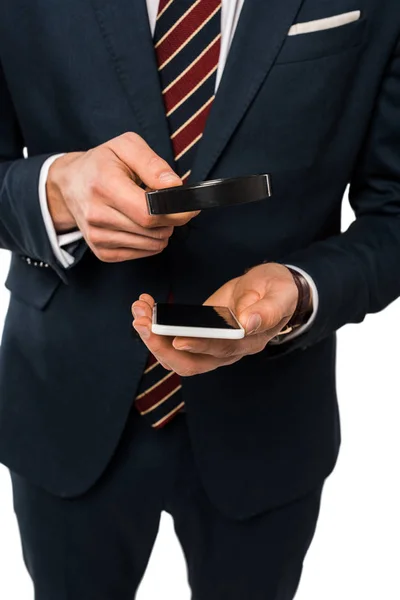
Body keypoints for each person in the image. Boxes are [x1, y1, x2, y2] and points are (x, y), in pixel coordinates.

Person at [0, 0, 399, 598]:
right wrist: (55, 191)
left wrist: (301, 289)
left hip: (271, 419)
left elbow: (393, 212)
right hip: (66, 402)